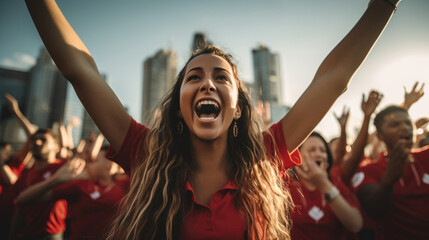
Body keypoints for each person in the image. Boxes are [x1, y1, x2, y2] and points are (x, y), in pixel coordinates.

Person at [25, 0, 400, 239]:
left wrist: (384, 5)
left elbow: (331, 80)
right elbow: (79, 69)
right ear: (178, 106)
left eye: (221, 77)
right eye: (194, 77)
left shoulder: (264, 154)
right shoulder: (146, 151)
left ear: (237, 106)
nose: (207, 83)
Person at [16, 136, 130, 240]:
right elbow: (23, 199)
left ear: (109, 165)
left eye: (93, 161)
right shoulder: (80, 185)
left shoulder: (125, 185)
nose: (86, 163)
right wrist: (54, 180)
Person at [351, 106, 429, 240]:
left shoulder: (426, 156)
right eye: (395, 125)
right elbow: (374, 210)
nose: (405, 128)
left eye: (408, 123)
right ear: (380, 136)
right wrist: (388, 180)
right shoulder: (369, 169)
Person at [289, 132, 362, 239]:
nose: (319, 154)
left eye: (323, 151)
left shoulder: (335, 180)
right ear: (297, 156)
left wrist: (323, 184)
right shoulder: (286, 185)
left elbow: (356, 225)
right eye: (312, 150)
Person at [10, 129, 67, 240]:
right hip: (26, 234)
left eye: (43, 140)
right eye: (34, 139)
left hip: (51, 235)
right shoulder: (25, 175)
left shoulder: (63, 169)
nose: (37, 142)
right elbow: (19, 209)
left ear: (57, 147)